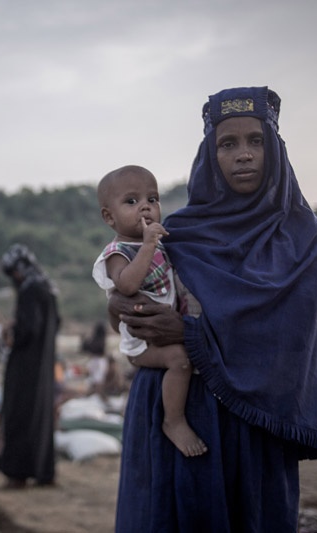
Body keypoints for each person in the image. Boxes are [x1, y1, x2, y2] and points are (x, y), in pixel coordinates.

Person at [109, 87, 317, 531]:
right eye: (227, 144)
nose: (244, 155)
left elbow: (296, 338)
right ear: (209, 156)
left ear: (274, 149)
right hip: (175, 412)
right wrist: (120, 303)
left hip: (251, 422)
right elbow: (138, 302)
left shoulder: (305, 238)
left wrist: (189, 332)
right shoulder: (178, 232)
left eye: (256, 141)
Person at [93, 164, 206, 457]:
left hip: (162, 328)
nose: (145, 207)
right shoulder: (117, 253)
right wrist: (147, 245)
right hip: (141, 341)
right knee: (179, 361)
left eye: (152, 200)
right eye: (131, 202)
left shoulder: (159, 244)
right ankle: (174, 420)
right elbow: (127, 285)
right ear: (109, 216)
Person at [0, 244, 60, 489]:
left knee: (19, 415)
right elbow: (52, 326)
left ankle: (18, 473)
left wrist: (11, 330)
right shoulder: (48, 289)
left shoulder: (30, 290)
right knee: (41, 418)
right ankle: (44, 471)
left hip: (25, 368)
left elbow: (28, 329)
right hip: (44, 366)